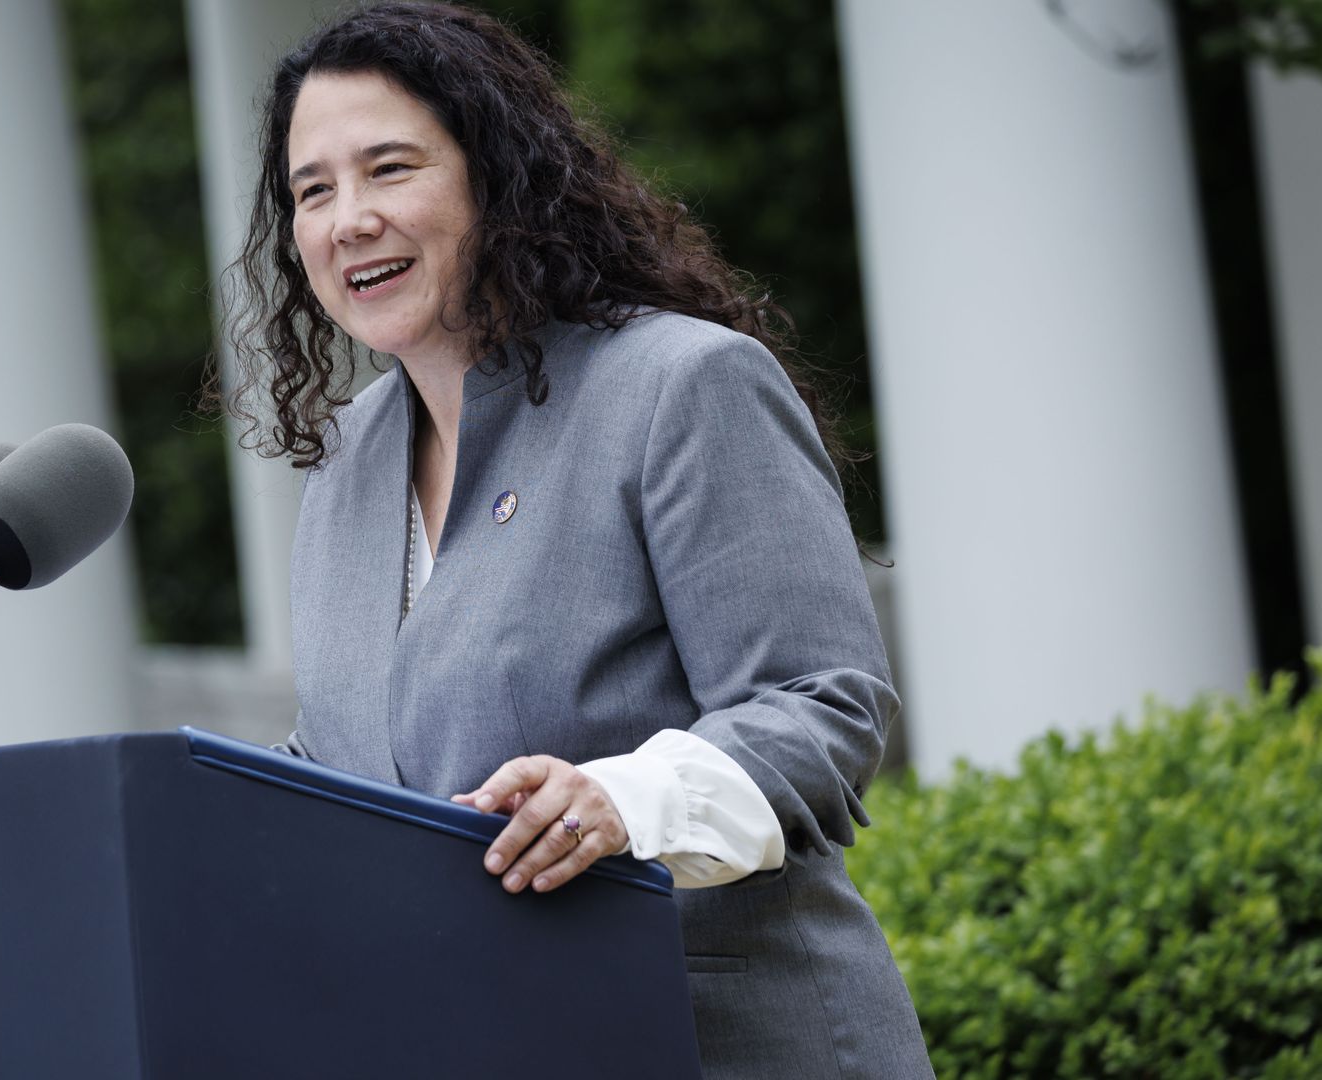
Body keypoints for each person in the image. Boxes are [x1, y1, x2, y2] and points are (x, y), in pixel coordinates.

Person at [225, 3, 933, 1076]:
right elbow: (341, 775)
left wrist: (620, 801)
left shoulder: (681, 386)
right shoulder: (345, 466)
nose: (347, 218)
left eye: (389, 169)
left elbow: (824, 708)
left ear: (495, 177)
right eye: (312, 190)